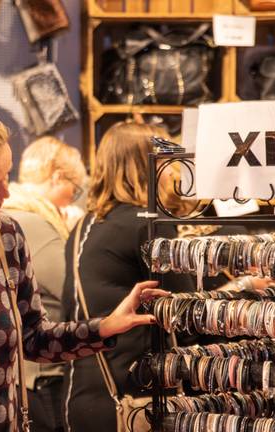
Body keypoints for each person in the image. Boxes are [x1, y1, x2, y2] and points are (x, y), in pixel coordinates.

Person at [0, 108, 169, 432]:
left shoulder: (4, 237)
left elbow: (34, 338)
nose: (7, 193)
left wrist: (105, 327)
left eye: (6, 177)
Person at [61, 122, 196, 431]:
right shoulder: (149, 227)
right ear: (148, 165)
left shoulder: (83, 227)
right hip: (136, 399)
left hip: (83, 393)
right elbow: (186, 314)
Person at [1, 136, 86, 432]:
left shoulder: (7, 213)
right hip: (44, 373)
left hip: (22, 372)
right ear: (56, 177)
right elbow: (73, 290)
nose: (74, 198)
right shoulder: (35, 223)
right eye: (74, 188)